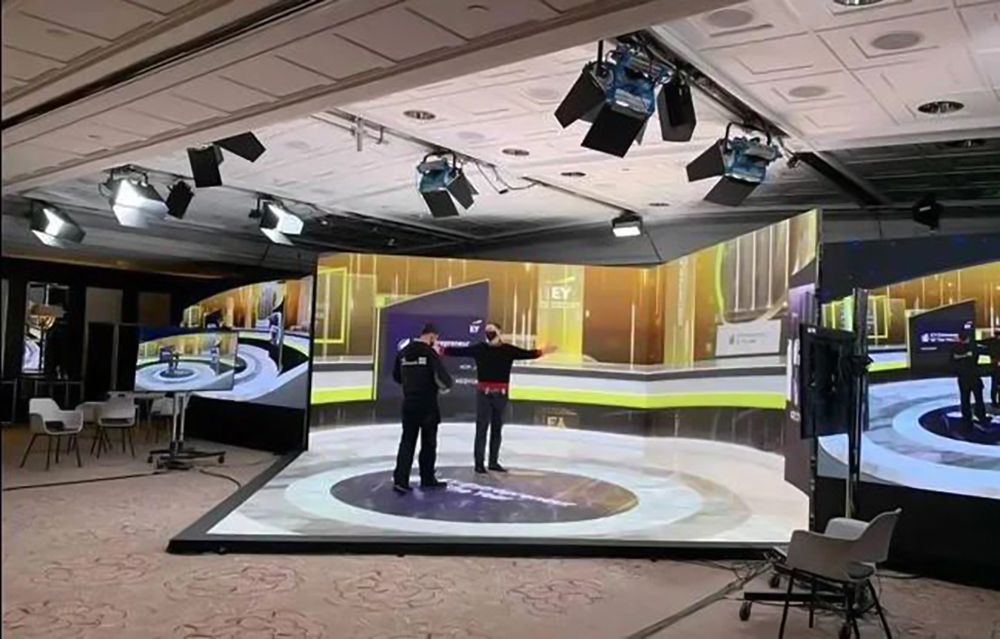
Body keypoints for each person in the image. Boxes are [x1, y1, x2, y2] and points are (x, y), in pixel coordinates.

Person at [443, 322, 556, 473]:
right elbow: (459, 351)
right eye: (487, 330)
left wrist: (543, 351)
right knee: (481, 429)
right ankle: (479, 463)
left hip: (501, 395)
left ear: (499, 332)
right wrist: (441, 349)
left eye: (492, 330)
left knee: (497, 429)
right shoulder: (480, 348)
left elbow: (527, 354)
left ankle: (493, 462)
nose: (489, 333)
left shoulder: (508, 350)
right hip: (484, 395)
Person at [392, 323, 453, 493]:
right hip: (428, 405)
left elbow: (396, 376)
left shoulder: (403, 352)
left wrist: (411, 383)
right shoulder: (430, 353)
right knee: (428, 443)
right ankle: (427, 478)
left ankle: (400, 480)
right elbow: (444, 379)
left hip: (409, 404)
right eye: (436, 339)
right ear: (432, 336)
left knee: (407, 442)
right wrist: (445, 387)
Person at [950, 328, 988, 429]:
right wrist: (966, 355)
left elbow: (953, 361)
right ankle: (980, 415)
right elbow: (975, 356)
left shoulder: (956, 349)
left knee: (965, 398)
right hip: (973, 376)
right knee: (978, 398)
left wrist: (960, 357)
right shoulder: (972, 347)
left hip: (964, 377)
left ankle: (967, 417)